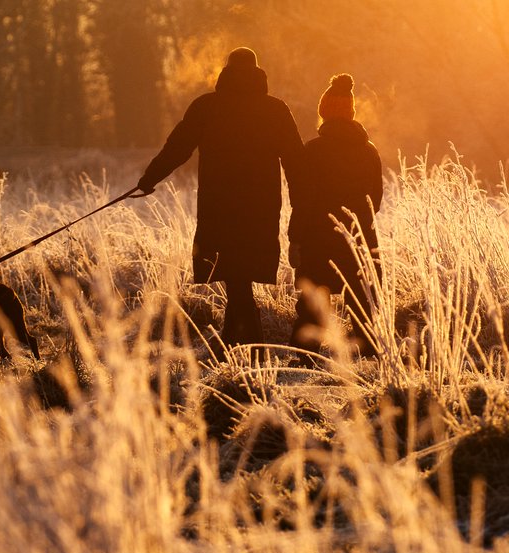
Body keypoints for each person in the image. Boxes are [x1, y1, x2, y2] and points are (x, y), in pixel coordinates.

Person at [136, 47, 303, 345]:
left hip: (219, 207)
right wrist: (303, 203)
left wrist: (150, 179)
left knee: (235, 275)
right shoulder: (275, 109)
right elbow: (295, 162)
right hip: (260, 209)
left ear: (226, 72)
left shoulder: (207, 107)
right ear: (258, 73)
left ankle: (243, 345)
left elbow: (177, 147)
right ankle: (244, 345)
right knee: (242, 275)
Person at [288, 73, 383, 356]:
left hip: (318, 241)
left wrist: (296, 238)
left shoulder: (313, 150)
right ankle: (369, 359)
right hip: (359, 238)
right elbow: (374, 201)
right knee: (363, 304)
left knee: (313, 304)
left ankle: (306, 357)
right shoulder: (369, 152)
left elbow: (302, 201)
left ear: (324, 112)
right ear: (351, 112)